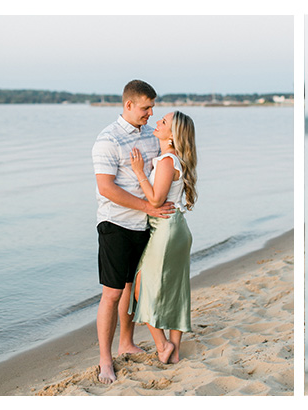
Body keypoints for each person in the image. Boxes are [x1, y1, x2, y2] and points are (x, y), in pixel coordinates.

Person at [91, 79, 174, 383]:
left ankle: (126, 343)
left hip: (143, 225)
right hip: (115, 224)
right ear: (128, 105)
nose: (151, 113)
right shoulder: (107, 139)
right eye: (146, 107)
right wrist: (147, 207)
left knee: (131, 288)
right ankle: (104, 361)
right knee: (112, 293)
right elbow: (106, 187)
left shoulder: (150, 136)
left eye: (152, 107)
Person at [128, 111, 199, 365]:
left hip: (166, 229)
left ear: (172, 135)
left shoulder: (167, 160)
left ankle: (162, 345)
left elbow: (156, 200)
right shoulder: (172, 159)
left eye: (164, 122)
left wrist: (138, 172)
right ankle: (175, 350)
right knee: (176, 288)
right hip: (176, 227)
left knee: (141, 286)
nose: (157, 121)